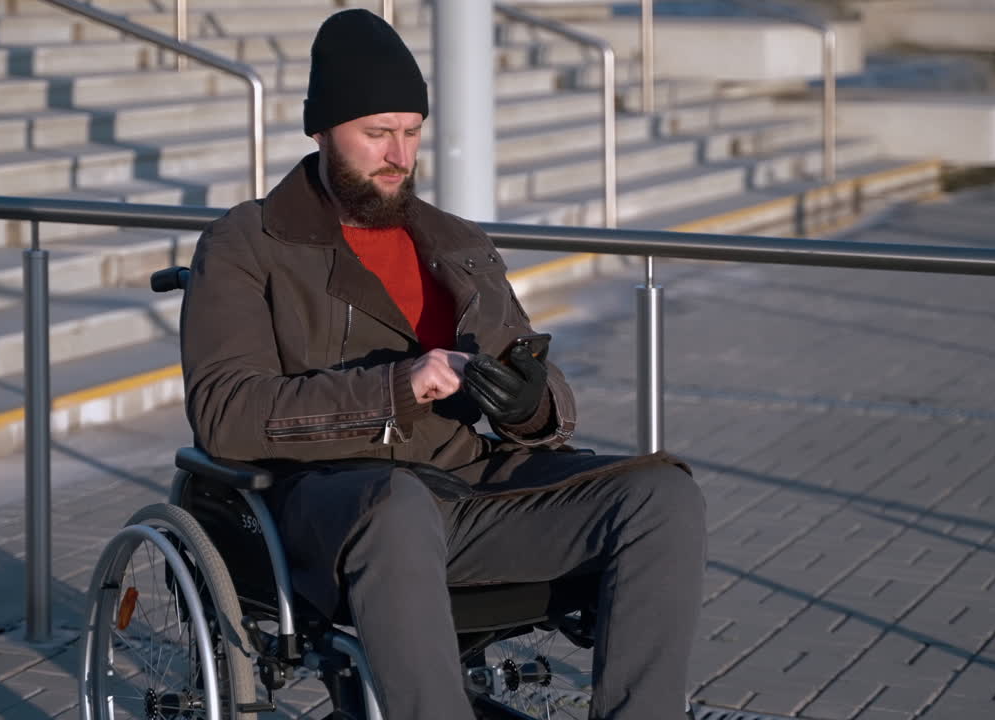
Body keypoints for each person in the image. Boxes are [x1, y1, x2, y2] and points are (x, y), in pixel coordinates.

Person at [179, 9, 706, 719]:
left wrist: (526, 403)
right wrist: (399, 386)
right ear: (321, 130)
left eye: (411, 131)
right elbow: (225, 412)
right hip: (328, 504)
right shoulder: (248, 242)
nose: (398, 154)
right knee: (397, 506)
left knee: (661, 495)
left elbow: (536, 391)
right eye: (375, 133)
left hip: (468, 494)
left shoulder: (456, 242)